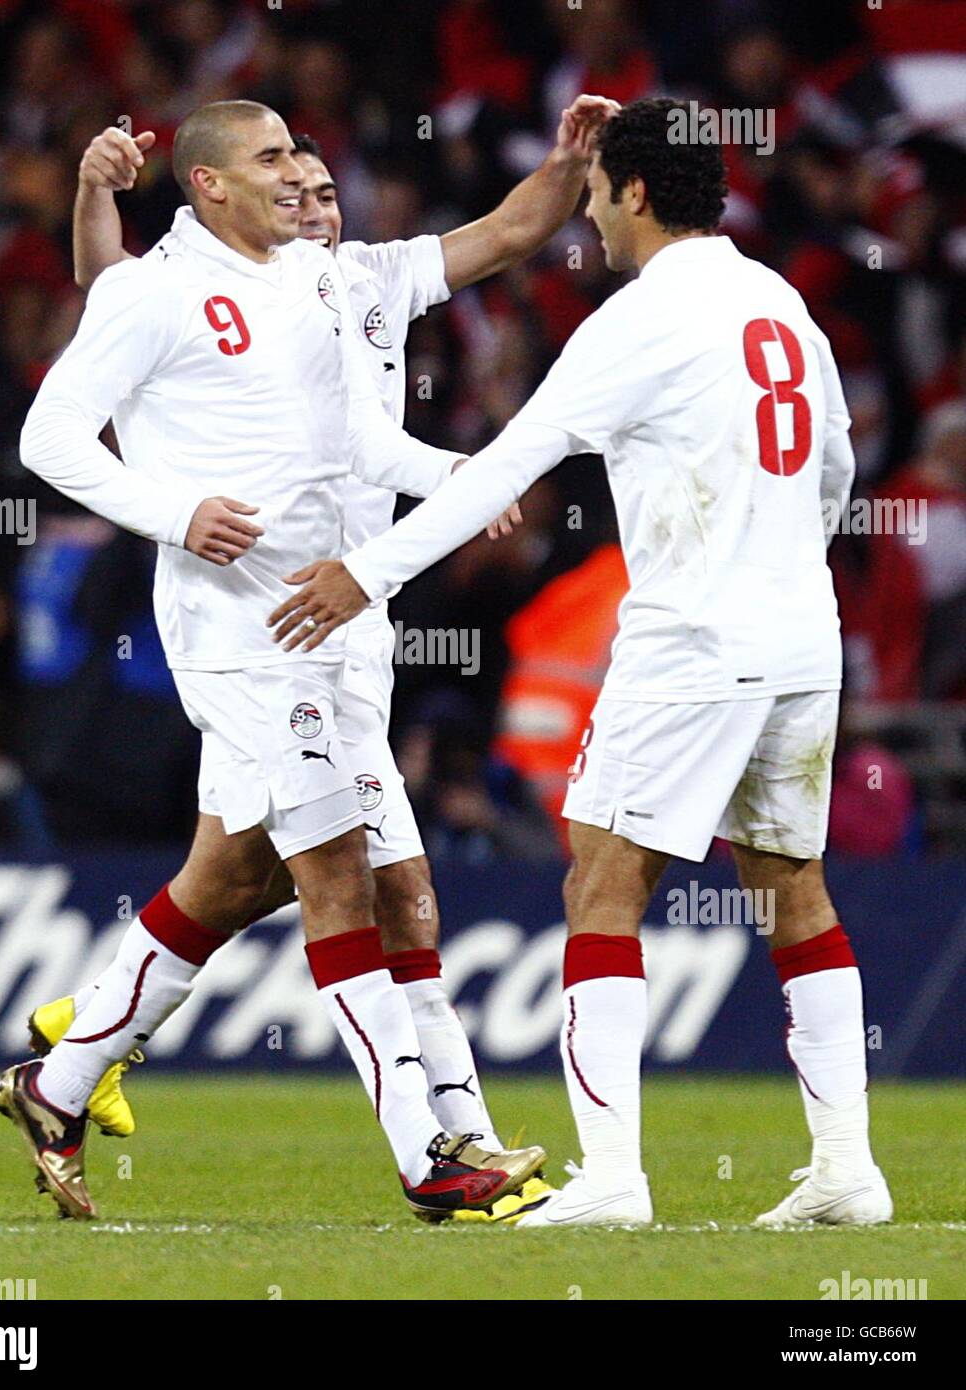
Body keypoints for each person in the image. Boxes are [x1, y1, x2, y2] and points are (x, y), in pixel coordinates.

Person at [269, 97, 892, 1229]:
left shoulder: (639, 321)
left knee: (602, 883)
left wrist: (362, 574)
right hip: (805, 633)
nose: (592, 214)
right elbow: (837, 465)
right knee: (792, 886)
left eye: (601, 190)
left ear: (639, 191)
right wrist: (789, 561)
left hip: (692, 640)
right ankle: (846, 1164)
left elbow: (505, 468)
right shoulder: (776, 299)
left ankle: (612, 1178)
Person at [28, 96, 614, 1221]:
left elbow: (488, 249)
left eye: (305, 151)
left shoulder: (324, 280)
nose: (300, 171)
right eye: (273, 157)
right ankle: (434, 1156)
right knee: (342, 873)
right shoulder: (156, 289)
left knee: (292, 879)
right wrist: (171, 510)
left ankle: (57, 1083)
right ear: (209, 185)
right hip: (243, 635)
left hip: (342, 625)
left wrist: (568, 164)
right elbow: (48, 434)